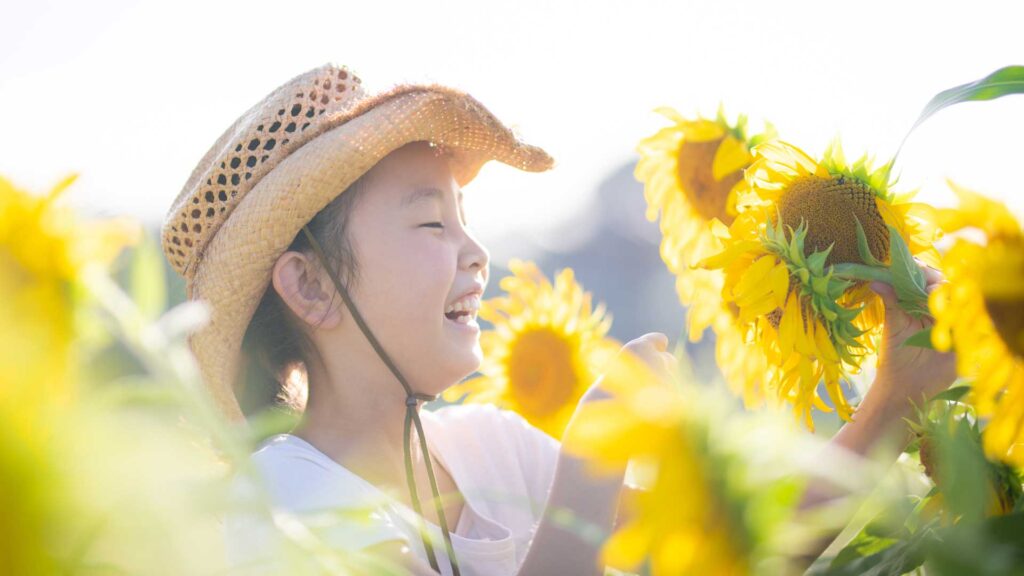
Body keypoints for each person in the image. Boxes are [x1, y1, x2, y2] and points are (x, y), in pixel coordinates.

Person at [160, 63, 956, 576]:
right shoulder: (284, 507)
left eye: (467, 217)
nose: (475, 250)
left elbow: (732, 546)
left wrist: (891, 400)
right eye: (431, 223)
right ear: (310, 286)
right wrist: (587, 466)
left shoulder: (491, 450)